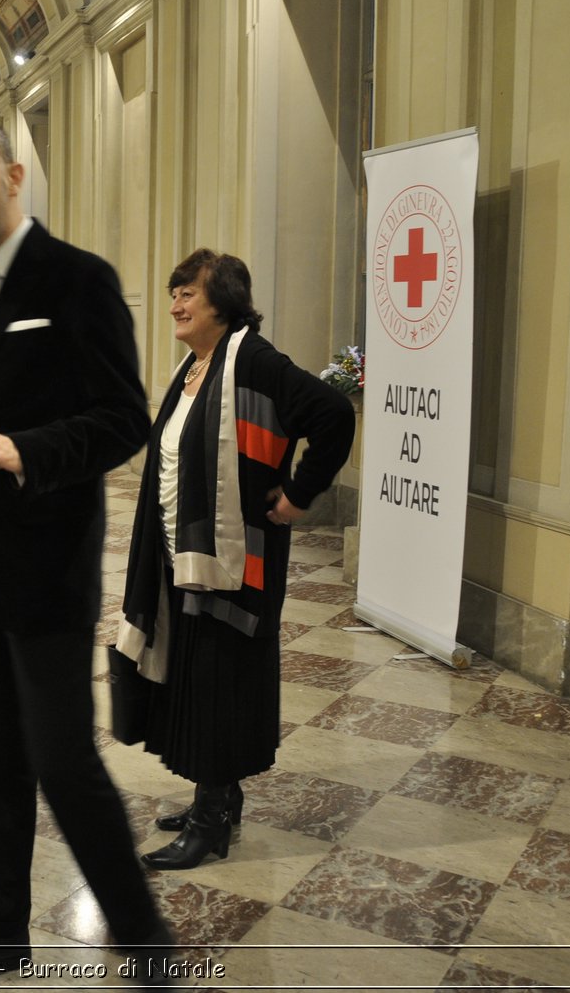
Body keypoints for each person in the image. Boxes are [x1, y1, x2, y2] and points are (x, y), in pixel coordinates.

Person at [0, 120, 169, 989]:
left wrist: (27, 449)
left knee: (62, 759)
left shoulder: (78, 280)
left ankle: (145, 939)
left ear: (12, 177)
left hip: (45, 565)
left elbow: (126, 418)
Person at [113, 248, 354, 870]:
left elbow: (331, 414)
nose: (175, 304)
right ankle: (216, 796)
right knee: (195, 674)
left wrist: (298, 495)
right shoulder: (195, 367)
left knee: (219, 678)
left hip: (232, 560)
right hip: (184, 556)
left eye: (188, 293)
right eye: (174, 292)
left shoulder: (255, 363)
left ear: (224, 302)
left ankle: (212, 821)